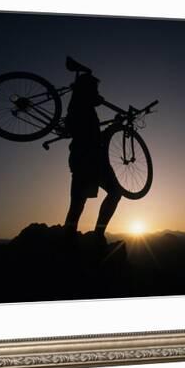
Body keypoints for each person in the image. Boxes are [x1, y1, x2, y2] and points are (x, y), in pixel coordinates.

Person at [63, 72, 122, 243]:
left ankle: (71, 237)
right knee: (111, 193)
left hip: (84, 158)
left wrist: (113, 127)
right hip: (90, 159)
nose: (97, 92)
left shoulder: (81, 106)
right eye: (94, 88)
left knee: (78, 202)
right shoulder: (81, 105)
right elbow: (90, 135)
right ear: (87, 89)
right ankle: (95, 235)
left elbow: (94, 135)